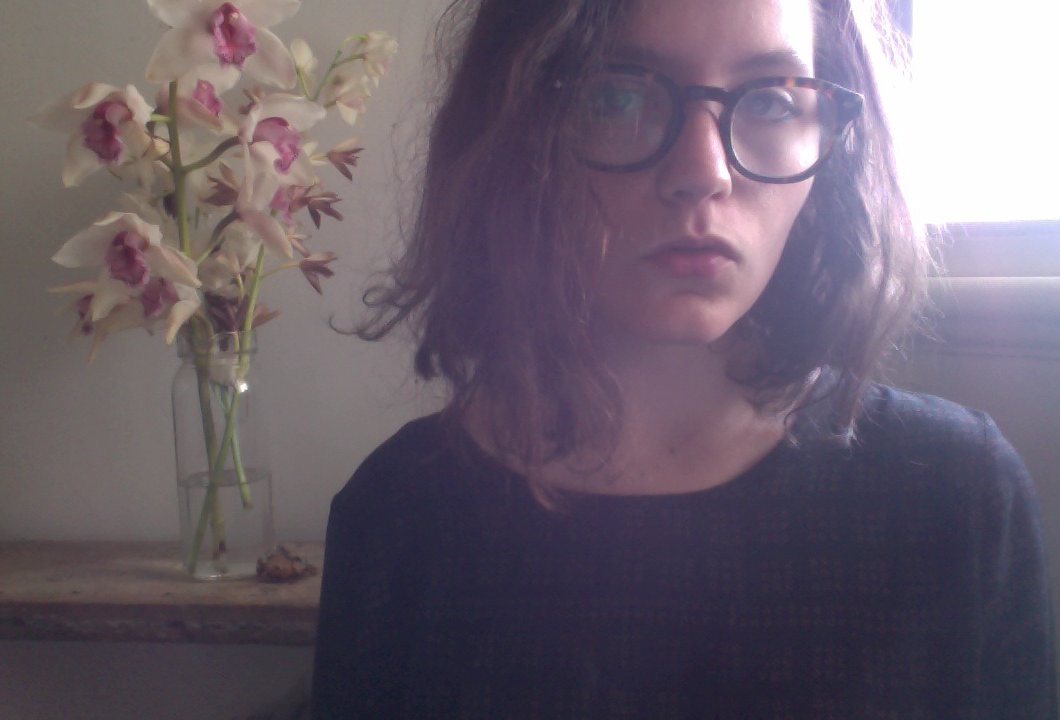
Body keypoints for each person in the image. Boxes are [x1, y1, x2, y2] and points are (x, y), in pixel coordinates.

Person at [312, 0, 1057, 716]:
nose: (704, 171)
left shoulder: (958, 498)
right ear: (516, 135)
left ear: (834, 142)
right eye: (617, 96)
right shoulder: (397, 517)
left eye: (771, 101)